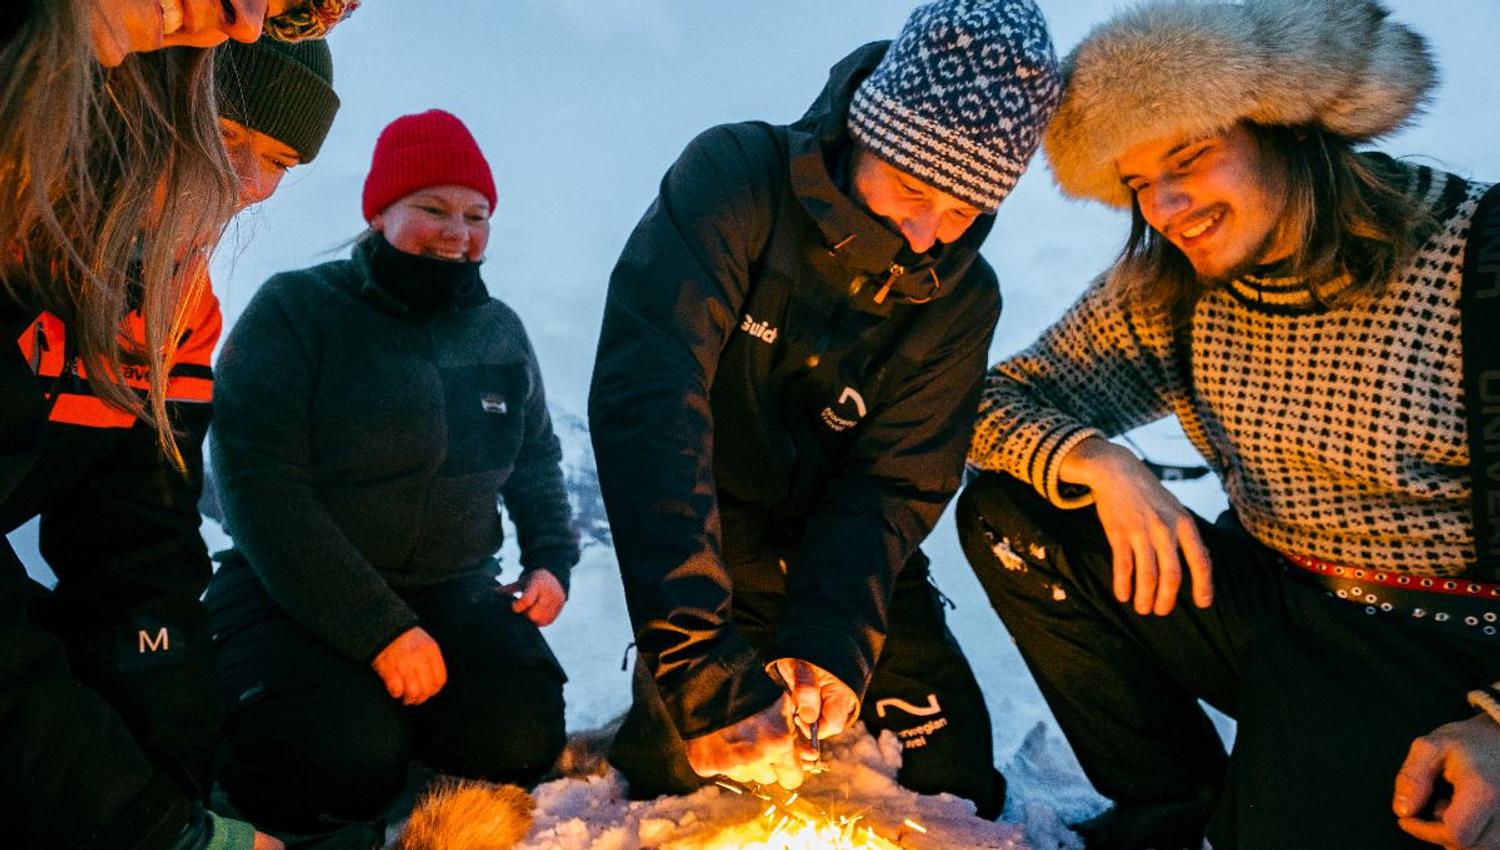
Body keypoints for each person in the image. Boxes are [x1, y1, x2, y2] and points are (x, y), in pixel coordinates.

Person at [956, 0, 1500, 848]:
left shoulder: (1479, 259)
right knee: (1012, 515)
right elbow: (986, 404)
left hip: (1436, 641)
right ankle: (1172, 807)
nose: (1167, 205)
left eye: (1192, 156)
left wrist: (1499, 726)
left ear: (1283, 127)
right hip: (1265, 600)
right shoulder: (1172, 290)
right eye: (1137, 183)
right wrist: (1096, 458)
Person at [589, 0, 1061, 817]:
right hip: (712, 547)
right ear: (866, 130)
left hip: (843, 559)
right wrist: (698, 665)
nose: (924, 236)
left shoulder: (961, 299)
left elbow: (893, 484)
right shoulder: (738, 181)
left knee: (956, 783)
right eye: (911, 187)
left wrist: (834, 644)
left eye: (961, 212)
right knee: (676, 781)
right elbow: (653, 402)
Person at [2, 3, 354, 849]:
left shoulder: (178, 312)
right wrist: (148, 824)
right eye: (229, 136)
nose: (251, 186)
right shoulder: (20, 243)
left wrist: (176, 788)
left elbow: (142, 554)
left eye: (278, 162)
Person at [206, 109, 578, 848]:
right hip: (295, 592)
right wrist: (380, 631)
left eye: (477, 215)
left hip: (454, 586)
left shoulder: (499, 330)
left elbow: (534, 459)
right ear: (378, 212)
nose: (457, 231)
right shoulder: (299, 311)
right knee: (333, 756)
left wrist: (551, 559)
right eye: (432, 209)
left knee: (518, 735)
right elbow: (260, 485)